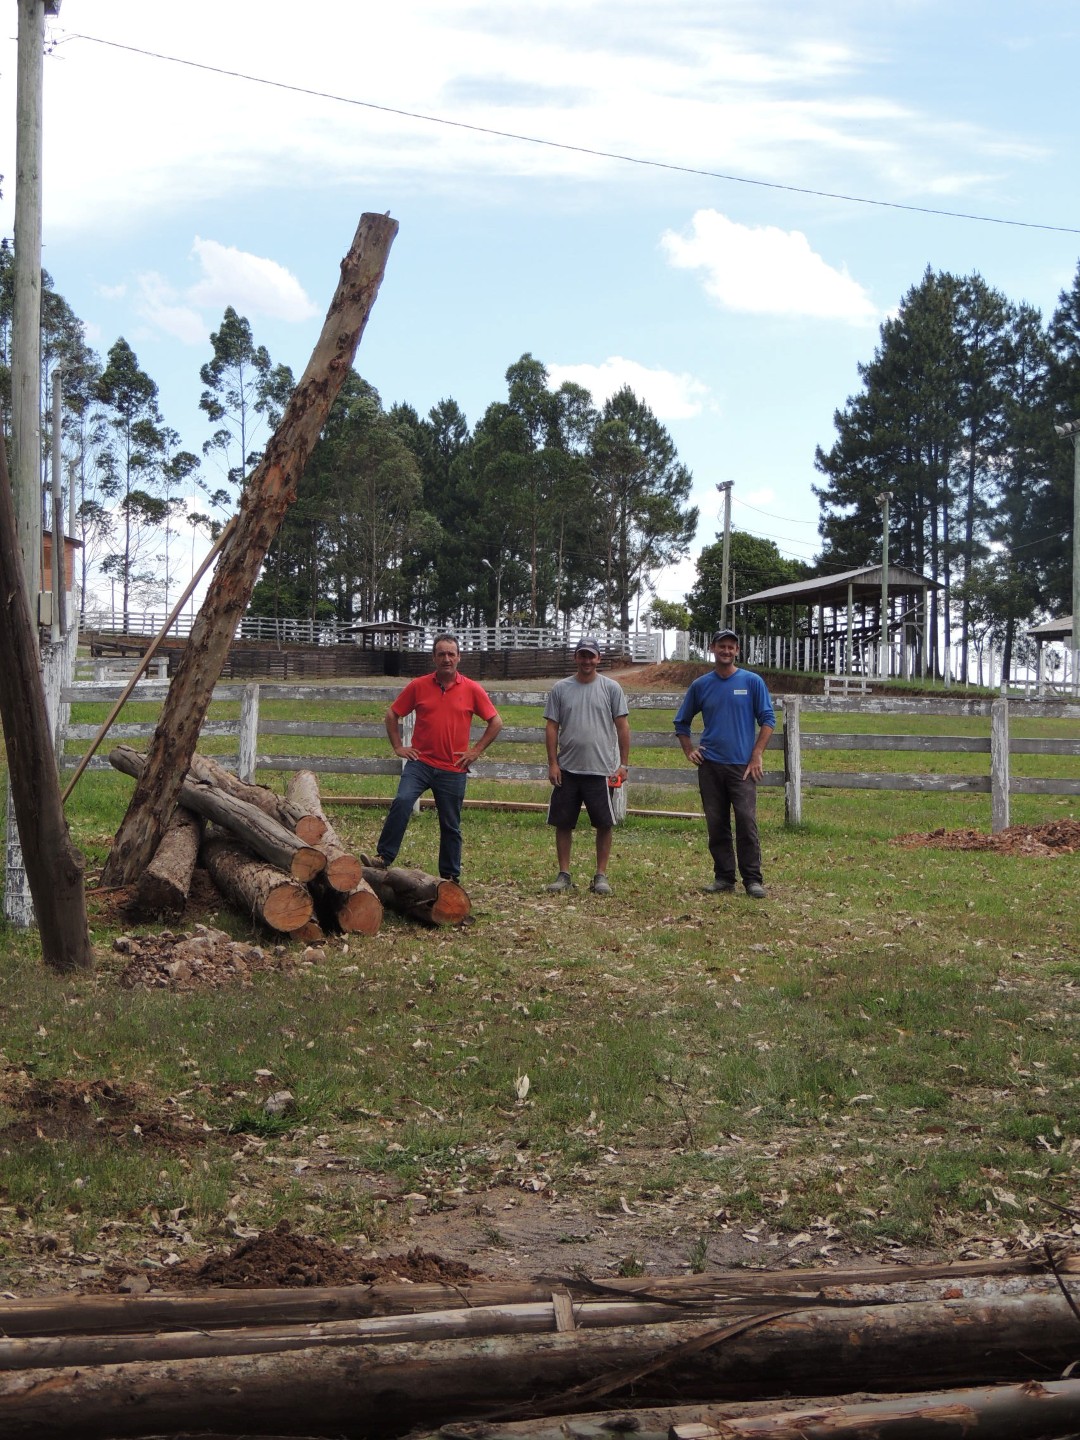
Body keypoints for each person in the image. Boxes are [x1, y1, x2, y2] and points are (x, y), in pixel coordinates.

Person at [375, 634, 502, 882]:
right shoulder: (418, 686)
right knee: (402, 802)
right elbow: (392, 714)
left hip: (453, 768)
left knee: (451, 824)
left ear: (459, 657)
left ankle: (450, 877)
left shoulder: (472, 689)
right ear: (433, 657)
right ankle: (383, 857)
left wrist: (475, 752)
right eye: (441, 654)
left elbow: (496, 722)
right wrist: (399, 746)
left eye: (451, 654)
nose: (446, 659)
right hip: (420, 763)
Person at [674, 628, 775, 899]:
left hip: (742, 767)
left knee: (746, 821)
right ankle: (724, 877)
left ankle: (753, 879)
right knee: (716, 823)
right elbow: (681, 722)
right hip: (711, 765)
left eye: (731, 647)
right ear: (712, 648)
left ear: (737, 651)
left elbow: (768, 719)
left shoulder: (752, 682)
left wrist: (757, 754)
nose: (726, 651)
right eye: (722, 646)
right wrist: (688, 750)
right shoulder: (701, 685)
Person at [544, 637, 631, 896]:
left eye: (591, 656)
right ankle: (564, 874)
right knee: (563, 823)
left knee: (604, 823)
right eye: (582, 655)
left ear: (598, 658)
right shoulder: (561, 689)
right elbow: (551, 727)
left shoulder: (611, 688)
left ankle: (601, 875)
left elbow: (623, 727)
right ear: (575, 658)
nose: (586, 660)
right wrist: (552, 763)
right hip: (568, 769)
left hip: (601, 770)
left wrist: (623, 764)